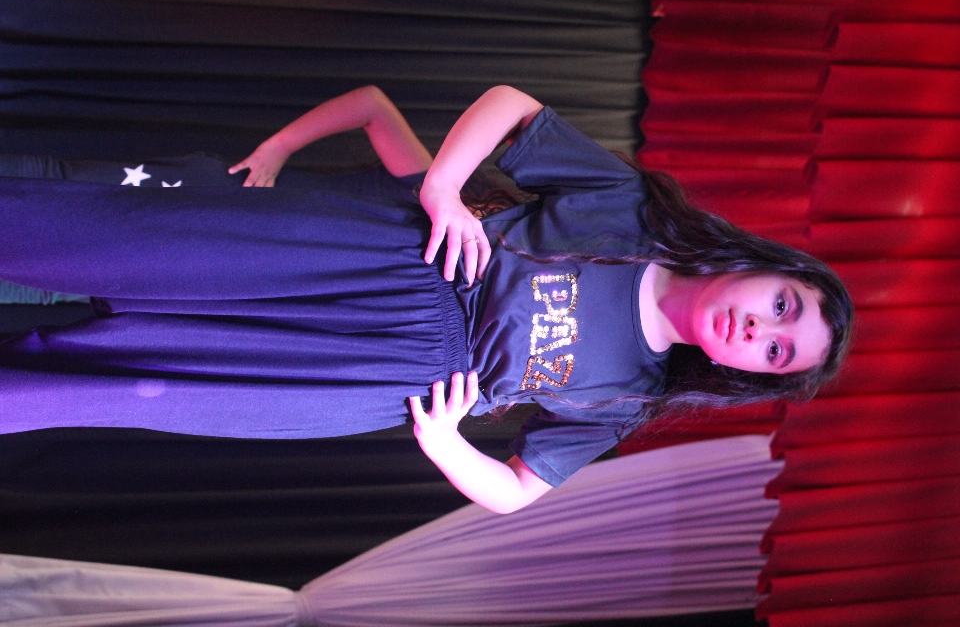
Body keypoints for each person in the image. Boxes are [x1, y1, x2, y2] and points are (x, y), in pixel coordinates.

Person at [0, 86, 853, 513]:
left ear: (749, 372)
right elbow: (513, 108)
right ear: (765, 267)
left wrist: (447, 445)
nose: (760, 328)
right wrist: (444, 189)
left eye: (776, 352)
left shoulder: (629, 397)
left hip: (366, 380)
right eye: (783, 306)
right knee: (142, 245)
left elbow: (515, 491)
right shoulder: (635, 212)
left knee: (145, 385)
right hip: (381, 259)